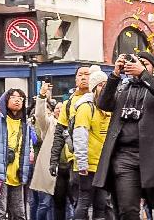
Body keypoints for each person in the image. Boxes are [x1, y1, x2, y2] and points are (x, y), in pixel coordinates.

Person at [94, 53, 154, 220]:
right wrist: (115, 74)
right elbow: (103, 104)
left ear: (153, 69)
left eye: (144, 64)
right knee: (128, 210)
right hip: (124, 157)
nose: (136, 66)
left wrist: (143, 74)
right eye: (134, 63)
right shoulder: (123, 88)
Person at [0, 89, 36, 220]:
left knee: (19, 214)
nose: (17, 100)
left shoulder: (26, 125)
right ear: (6, 100)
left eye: (21, 98)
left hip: (18, 175)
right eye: (13, 97)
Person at [49, 66, 91, 219]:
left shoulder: (100, 99)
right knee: (79, 203)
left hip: (99, 159)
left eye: (87, 74)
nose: (84, 78)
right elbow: (59, 134)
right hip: (76, 161)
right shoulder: (68, 103)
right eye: (80, 75)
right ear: (75, 79)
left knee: (103, 204)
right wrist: (53, 161)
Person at [29, 86, 59, 220]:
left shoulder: (72, 124)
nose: (60, 110)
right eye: (58, 108)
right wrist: (41, 96)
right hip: (48, 170)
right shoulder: (49, 124)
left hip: (67, 171)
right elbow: (40, 115)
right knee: (44, 204)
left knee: (62, 205)